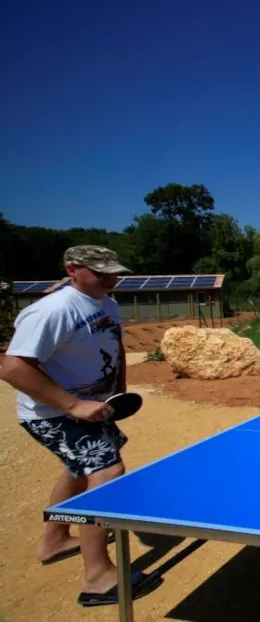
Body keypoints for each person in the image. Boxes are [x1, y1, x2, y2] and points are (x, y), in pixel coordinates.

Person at [0, 245, 163, 606]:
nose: (111, 277)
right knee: (107, 473)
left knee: (79, 469)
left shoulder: (107, 302)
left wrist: (118, 392)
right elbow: (11, 367)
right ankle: (97, 578)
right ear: (72, 270)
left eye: (113, 270)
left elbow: (115, 345)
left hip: (94, 407)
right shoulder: (53, 310)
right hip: (56, 412)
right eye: (101, 271)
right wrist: (73, 404)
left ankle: (55, 540)